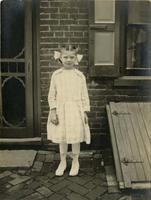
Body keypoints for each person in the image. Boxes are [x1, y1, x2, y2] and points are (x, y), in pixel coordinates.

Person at [47, 45, 91, 176]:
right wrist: (53, 111)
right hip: (61, 110)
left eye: (71, 57)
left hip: (75, 110)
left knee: (75, 136)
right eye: (65, 57)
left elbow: (84, 95)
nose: (68, 60)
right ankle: (63, 161)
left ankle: (76, 161)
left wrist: (84, 112)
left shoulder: (79, 76)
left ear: (76, 58)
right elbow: (51, 95)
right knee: (63, 136)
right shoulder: (56, 75)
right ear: (60, 58)